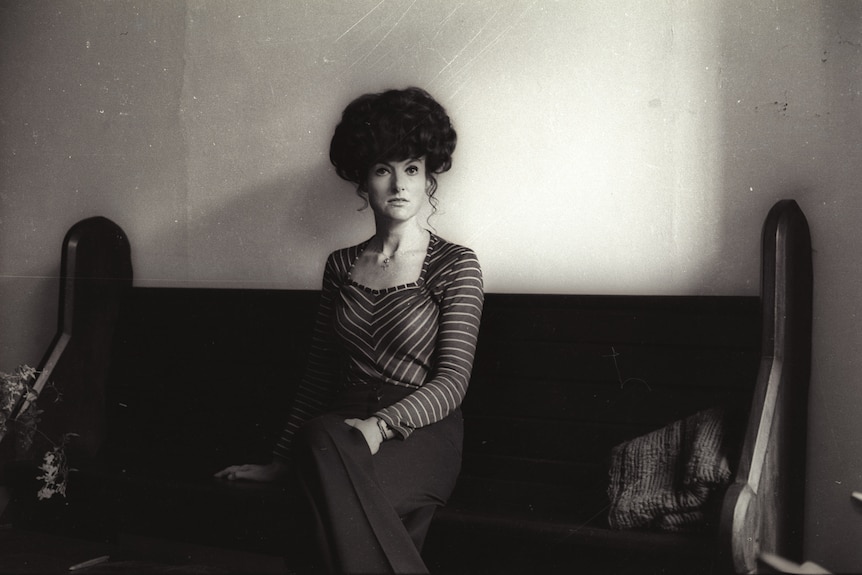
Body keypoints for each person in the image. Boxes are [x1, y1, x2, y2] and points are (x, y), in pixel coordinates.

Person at [215, 86, 484, 574]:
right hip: (337, 434)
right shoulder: (340, 265)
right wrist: (279, 460)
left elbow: (453, 383)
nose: (399, 184)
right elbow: (319, 373)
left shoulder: (455, 264)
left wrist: (380, 426)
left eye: (412, 169)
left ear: (428, 179)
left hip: (419, 432)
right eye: (384, 169)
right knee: (321, 441)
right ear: (363, 181)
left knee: (318, 507)